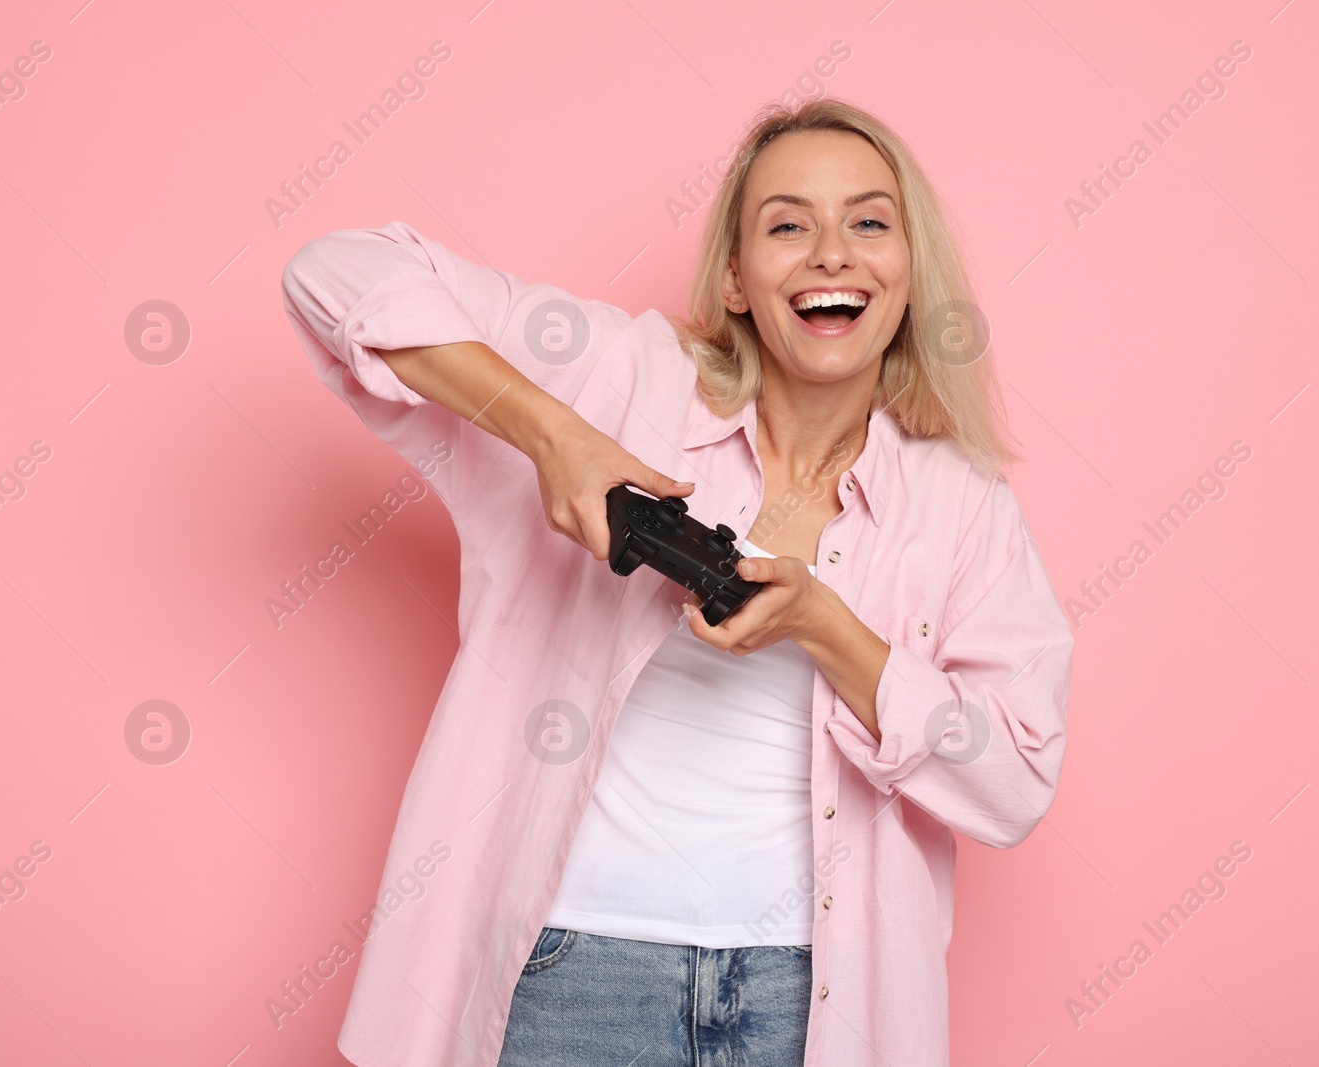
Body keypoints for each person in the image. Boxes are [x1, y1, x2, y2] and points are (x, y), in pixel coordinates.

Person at [279, 96, 1073, 1067]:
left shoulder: (960, 502)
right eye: (788, 224)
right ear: (736, 279)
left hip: (816, 996)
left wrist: (829, 628)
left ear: (909, 273)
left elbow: (1015, 780)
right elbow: (334, 272)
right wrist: (555, 435)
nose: (831, 252)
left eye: (868, 221)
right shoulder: (619, 374)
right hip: (574, 973)